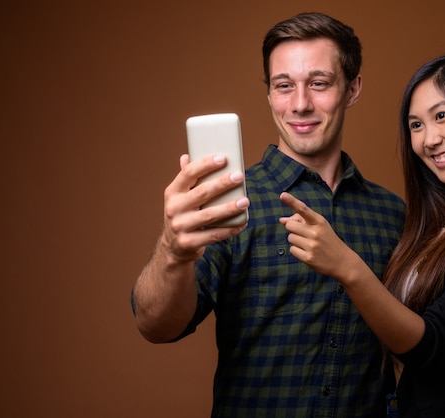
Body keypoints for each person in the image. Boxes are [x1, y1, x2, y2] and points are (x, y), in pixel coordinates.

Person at [131, 12, 406, 417]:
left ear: (352, 88)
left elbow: (422, 344)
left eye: (318, 83)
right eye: (283, 86)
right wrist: (173, 251)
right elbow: (155, 326)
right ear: (269, 95)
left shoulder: (392, 214)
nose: (300, 104)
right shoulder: (227, 200)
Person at [280, 51, 445, 417]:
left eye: (441, 116)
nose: (429, 139)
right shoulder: (435, 222)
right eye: (416, 125)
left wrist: (347, 267)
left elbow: (434, 345)